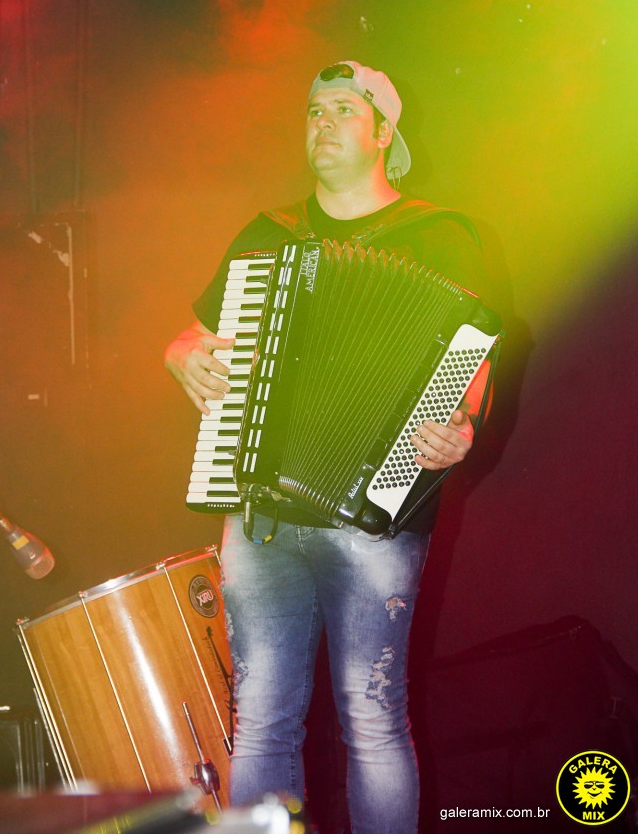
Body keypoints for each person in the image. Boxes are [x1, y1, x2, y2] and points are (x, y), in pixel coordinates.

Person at [165, 61, 492, 834]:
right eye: (314, 110)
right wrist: (178, 354)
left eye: (344, 108)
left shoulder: (440, 236)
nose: (323, 122)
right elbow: (194, 335)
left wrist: (463, 428)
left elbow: (473, 355)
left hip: (377, 515)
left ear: (384, 133)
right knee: (260, 723)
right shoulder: (267, 234)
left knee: (372, 721)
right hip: (261, 513)